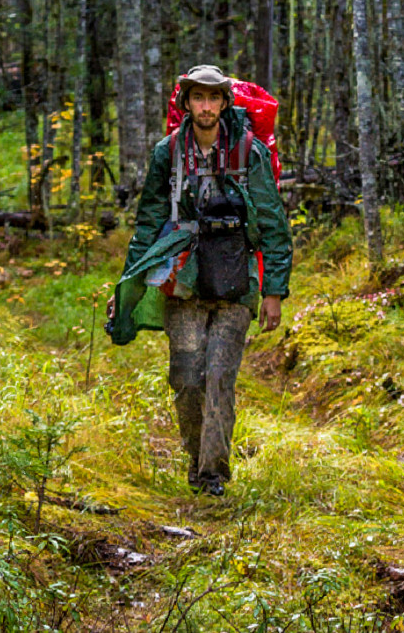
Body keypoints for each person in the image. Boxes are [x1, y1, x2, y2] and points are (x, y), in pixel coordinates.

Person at [108, 65, 293, 496]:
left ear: (225, 102)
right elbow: (148, 224)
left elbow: (274, 225)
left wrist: (274, 292)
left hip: (236, 281)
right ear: (186, 103)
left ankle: (213, 477)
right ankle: (197, 463)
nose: (206, 106)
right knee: (188, 378)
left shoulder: (250, 152)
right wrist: (127, 287)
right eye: (198, 98)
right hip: (183, 282)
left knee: (219, 374)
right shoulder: (167, 153)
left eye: (213, 98)